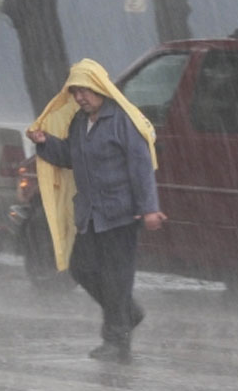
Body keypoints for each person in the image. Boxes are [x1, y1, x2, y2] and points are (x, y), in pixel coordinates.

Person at [27, 58, 167, 364]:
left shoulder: (122, 121)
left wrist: (149, 208)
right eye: (75, 92)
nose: (80, 97)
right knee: (81, 268)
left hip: (121, 214)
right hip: (91, 214)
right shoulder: (79, 123)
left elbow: (141, 167)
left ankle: (116, 342)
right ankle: (128, 313)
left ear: (100, 88)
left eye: (85, 90)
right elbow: (70, 157)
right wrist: (45, 142)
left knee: (117, 280)